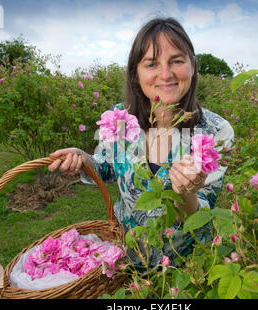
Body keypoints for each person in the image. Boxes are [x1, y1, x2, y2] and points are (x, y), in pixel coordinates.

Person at [49, 17, 234, 268]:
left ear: (192, 66)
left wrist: (187, 193)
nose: (165, 74)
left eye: (176, 61)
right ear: (136, 73)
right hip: (127, 260)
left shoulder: (216, 132)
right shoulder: (120, 120)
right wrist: (84, 159)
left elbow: (201, 219)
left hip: (183, 270)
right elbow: (105, 169)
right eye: (151, 64)